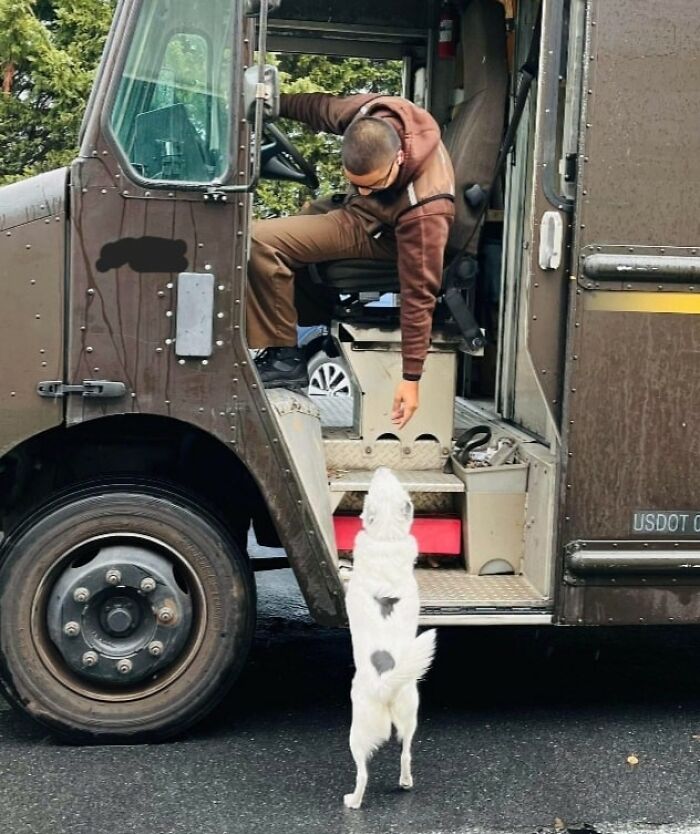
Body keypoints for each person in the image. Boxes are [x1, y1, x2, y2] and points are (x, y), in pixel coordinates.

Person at [247, 92, 455, 428]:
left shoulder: (426, 208)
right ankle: (305, 324)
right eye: (360, 184)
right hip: (357, 211)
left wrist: (412, 378)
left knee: (260, 241)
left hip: (386, 237)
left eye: (375, 185)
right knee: (298, 223)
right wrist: (270, 101)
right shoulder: (371, 115)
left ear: (400, 158)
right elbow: (317, 107)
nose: (367, 189)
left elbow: (419, 292)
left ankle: (285, 357)